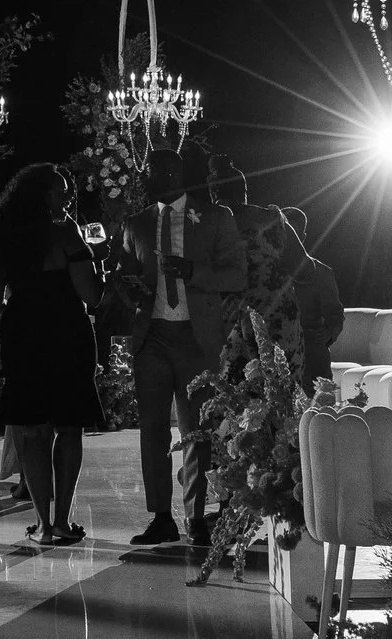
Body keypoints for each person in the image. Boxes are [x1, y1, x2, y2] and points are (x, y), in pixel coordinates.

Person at [117, 148, 247, 547]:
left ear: (173, 173)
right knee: (152, 431)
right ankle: (161, 517)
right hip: (152, 337)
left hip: (196, 337)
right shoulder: (135, 223)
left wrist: (193, 271)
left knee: (197, 433)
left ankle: (195, 517)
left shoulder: (214, 217)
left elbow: (238, 273)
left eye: (156, 170)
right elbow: (123, 274)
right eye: (148, 169)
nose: (149, 176)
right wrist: (130, 290)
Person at [0, 164, 101, 546]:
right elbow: (91, 294)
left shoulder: (3, 238)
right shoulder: (66, 232)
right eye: (61, 190)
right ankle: (63, 520)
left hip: (25, 331)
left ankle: (42, 524)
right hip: (67, 330)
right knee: (69, 424)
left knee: (33, 428)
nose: (67, 197)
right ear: (43, 194)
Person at [208, 156, 337, 381]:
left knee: (234, 399)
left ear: (214, 195)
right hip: (278, 318)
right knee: (281, 394)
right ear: (244, 191)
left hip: (228, 320)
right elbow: (306, 271)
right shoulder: (272, 218)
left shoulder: (208, 223)